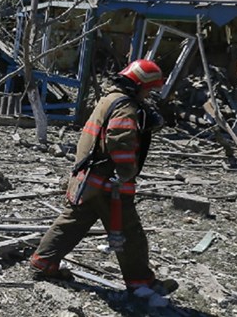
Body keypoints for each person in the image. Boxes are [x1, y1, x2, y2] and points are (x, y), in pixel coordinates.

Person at [30, 59, 177, 295]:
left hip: (87, 180)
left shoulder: (109, 99)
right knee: (130, 234)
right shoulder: (125, 106)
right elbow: (119, 140)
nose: (149, 95)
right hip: (108, 184)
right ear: (139, 85)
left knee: (72, 222)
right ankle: (142, 284)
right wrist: (127, 173)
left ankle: (44, 261)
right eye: (149, 90)